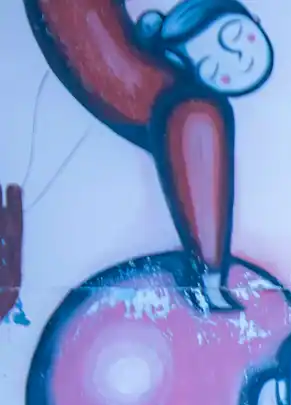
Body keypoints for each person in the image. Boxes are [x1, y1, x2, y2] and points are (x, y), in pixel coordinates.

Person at [25, 0, 275, 308]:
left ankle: (209, 276)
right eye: (214, 68)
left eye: (235, 35)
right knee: (198, 115)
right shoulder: (190, 108)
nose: (239, 58)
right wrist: (210, 277)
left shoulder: (179, 101)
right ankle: (208, 277)